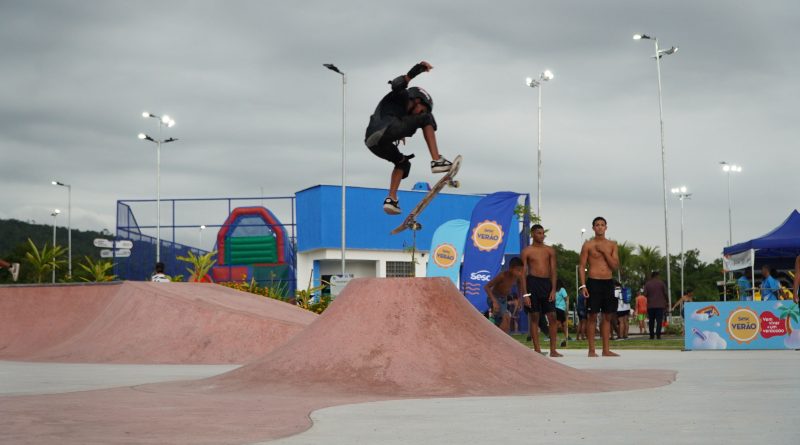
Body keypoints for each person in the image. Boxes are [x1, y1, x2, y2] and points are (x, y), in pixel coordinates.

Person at [364, 61, 452, 215]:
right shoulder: (403, 96)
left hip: (374, 142)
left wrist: (399, 133)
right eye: (421, 109)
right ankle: (437, 160)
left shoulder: (401, 114)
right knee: (427, 119)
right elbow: (398, 84)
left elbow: (400, 122)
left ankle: (391, 200)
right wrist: (417, 70)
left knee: (403, 163)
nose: (419, 112)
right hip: (385, 129)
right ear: (417, 100)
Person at [578, 216, 620, 357]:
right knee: (592, 316)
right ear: (593, 228)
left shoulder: (612, 245)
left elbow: (614, 266)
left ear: (606, 227)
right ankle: (591, 350)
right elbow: (582, 266)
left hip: (608, 282)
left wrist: (604, 252)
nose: (600, 227)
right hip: (593, 281)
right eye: (597, 225)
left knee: (607, 317)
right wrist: (583, 286)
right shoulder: (588, 245)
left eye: (602, 225)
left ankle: (606, 350)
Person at [521, 224, 562, 357]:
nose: (541, 235)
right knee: (534, 316)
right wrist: (525, 294)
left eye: (543, 233)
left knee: (552, 316)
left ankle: (553, 350)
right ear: (532, 234)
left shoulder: (549, 250)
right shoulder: (527, 251)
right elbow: (522, 273)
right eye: (539, 233)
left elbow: (553, 271)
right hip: (532, 283)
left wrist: (553, 289)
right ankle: (537, 349)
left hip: (546, 284)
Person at [484, 257, 527, 334]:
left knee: (507, 319)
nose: (520, 273)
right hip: (494, 298)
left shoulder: (517, 276)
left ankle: (500, 335)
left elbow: (519, 284)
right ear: (511, 268)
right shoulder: (502, 276)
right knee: (505, 317)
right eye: (518, 270)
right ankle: (500, 338)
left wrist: (520, 299)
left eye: (521, 271)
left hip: (503, 300)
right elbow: (486, 287)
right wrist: (494, 301)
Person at [643, 271, 668, 339]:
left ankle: (651, 335)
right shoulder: (661, 283)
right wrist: (667, 301)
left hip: (650, 305)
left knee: (651, 321)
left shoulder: (647, 284)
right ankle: (658, 335)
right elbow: (665, 293)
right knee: (659, 320)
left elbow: (645, 295)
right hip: (660, 305)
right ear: (657, 275)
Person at [554, 279, 570, 347]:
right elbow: (566, 298)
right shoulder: (562, 289)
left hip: (556, 308)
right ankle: (555, 336)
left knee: (563, 324)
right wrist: (567, 308)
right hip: (561, 309)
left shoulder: (554, 291)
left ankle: (566, 336)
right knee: (559, 324)